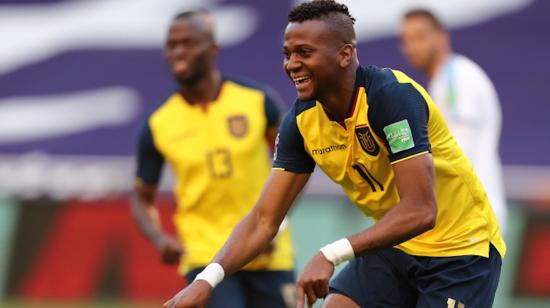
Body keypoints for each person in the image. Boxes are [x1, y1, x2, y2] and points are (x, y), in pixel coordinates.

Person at [163, 1, 506, 307]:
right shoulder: (300, 122)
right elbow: (263, 219)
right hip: (398, 248)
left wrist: (331, 254)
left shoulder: (391, 97)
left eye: (305, 53)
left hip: (460, 250)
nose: (292, 64)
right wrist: (206, 280)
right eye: (288, 53)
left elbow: (421, 209)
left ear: (344, 54)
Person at [130, 9, 295, 308]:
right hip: (205, 256)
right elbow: (142, 197)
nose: (178, 51)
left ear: (213, 48)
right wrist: (159, 238)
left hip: (268, 253)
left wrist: (276, 225)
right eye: (172, 44)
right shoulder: (158, 124)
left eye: (188, 43)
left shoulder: (257, 101)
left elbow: (296, 165)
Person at [400, 9, 507, 232]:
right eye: (407, 40)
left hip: (472, 218)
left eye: (420, 37)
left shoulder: (456, 78)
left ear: (442, 37)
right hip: (468, 216)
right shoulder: (445, 80)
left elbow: (459, 150)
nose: (412, 47)